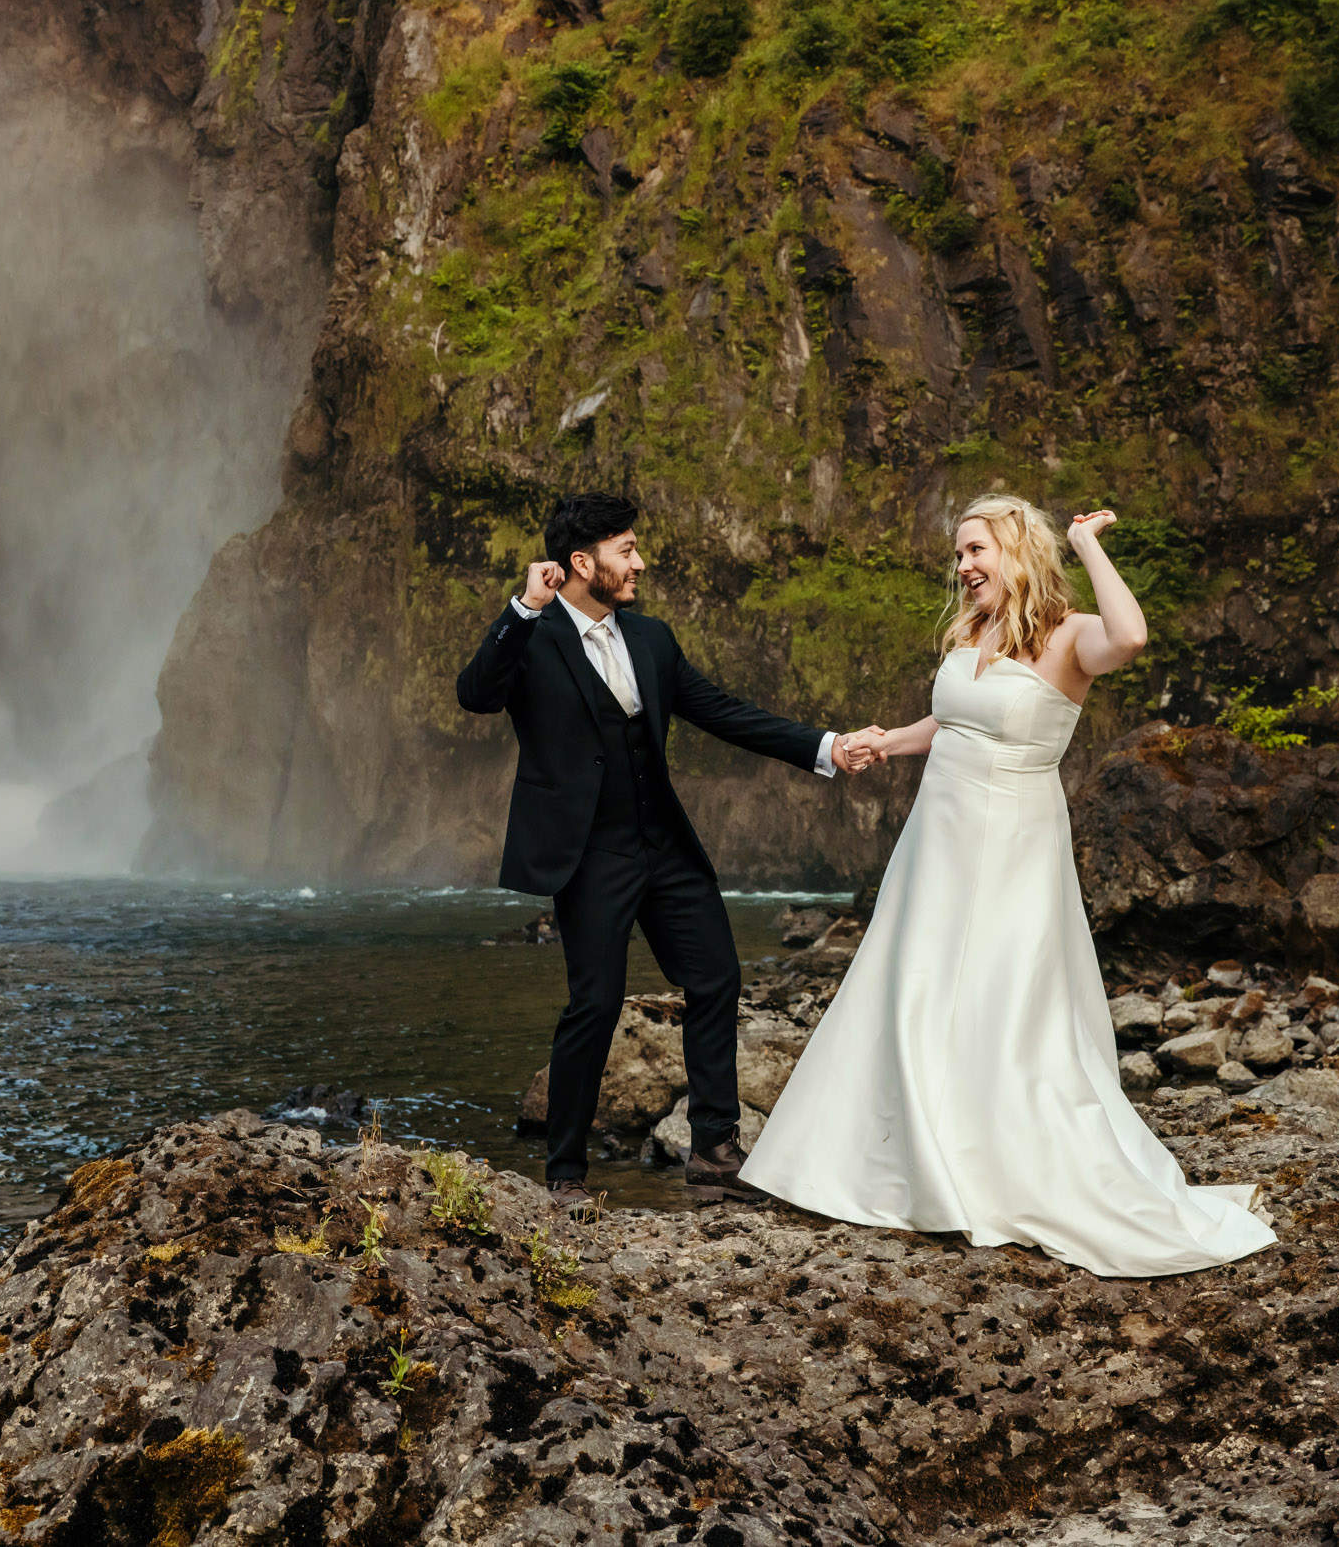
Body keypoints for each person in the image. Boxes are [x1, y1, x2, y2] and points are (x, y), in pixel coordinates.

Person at [742, 495, 1277, 1276]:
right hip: (937, 846)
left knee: (1003, 1002)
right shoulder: (974, 632)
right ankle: (903, 1165)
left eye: (975, 551)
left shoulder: (1068, 637)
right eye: (958, 554)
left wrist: (1088, 544)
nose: (962, 568)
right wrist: (883, 743)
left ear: (1019, 551)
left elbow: (1132, 635)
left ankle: (994, 1168)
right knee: (913, 989)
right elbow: (954, 721)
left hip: (1014, 850)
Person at [457, 492, 883, 1210]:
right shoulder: (529, 638)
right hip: (588, 855)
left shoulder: (651, 639)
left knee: (716, 977)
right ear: (582, 563)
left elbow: (724, 712)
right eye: (626, 551)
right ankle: (565, 1174)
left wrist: (828, 748)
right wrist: (522, 608)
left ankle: (714, 1151)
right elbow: (475, 694)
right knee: (595, 1003)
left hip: (665, 844)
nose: (640, 562)